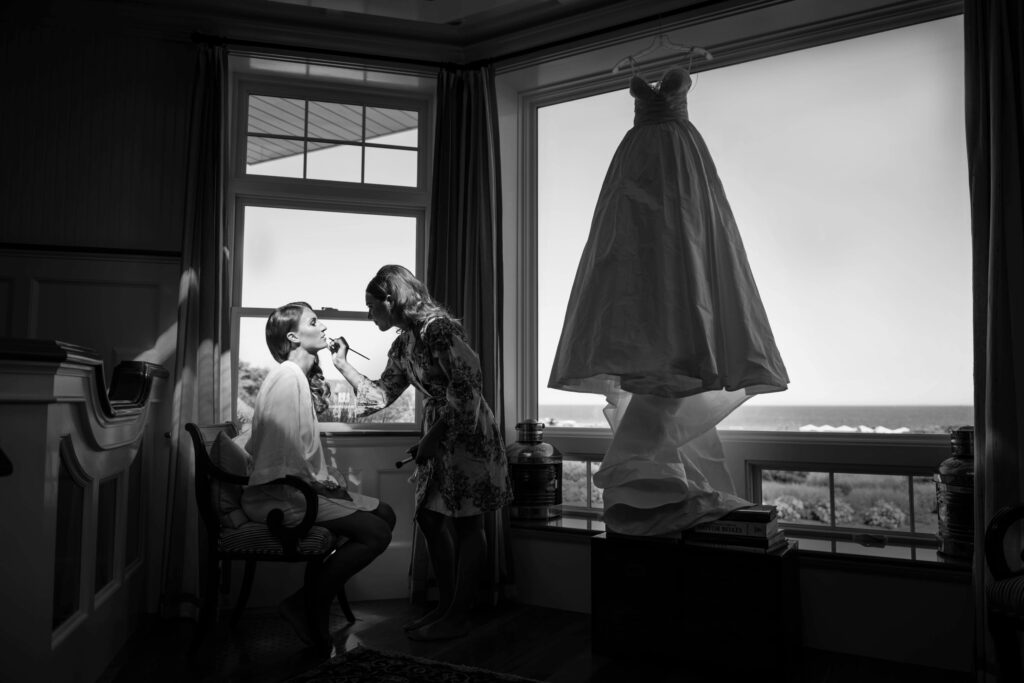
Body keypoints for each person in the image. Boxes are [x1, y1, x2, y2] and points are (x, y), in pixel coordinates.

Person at [547, 64, 789, 535]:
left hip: (680, 160)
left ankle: (661, 482)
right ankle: (659, 485)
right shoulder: (634, 138)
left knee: (688, 254)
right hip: (636, 167)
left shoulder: (685, 140)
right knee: (635, 260)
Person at [330, 265, 511, 641]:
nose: (368, 315)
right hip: (439, 433)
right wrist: (343, 363)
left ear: (390, 299)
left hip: (467, 431)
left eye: (371, 306)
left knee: (467, 523)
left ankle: (457, 614)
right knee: (430, 519)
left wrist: (435, 436)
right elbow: (381, 394)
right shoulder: (404, 343)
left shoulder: (438, 329)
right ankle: (446, 607)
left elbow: (469, 382)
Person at [241, 301, 396, 650]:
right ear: (293, 336)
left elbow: (295, 451)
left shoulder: (297, 377)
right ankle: (306, 604)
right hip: (280, 498)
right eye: (314, 321)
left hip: (299, 488)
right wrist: (321, 487)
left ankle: (308, 601)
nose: (324, 326)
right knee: (375, 533)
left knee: (386, 513)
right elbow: (277, 455)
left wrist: (328, 483)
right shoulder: (286, 378)